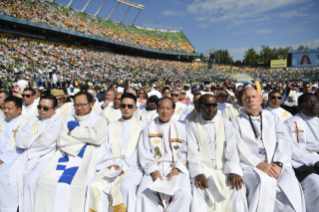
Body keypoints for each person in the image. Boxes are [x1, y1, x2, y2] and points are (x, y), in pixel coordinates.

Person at [232, 87, 305, 212]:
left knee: (290, 182)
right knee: (264, 181)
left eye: (254, 97)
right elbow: (237, 147)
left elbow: (284, 141)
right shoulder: (236, 122)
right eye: (247, 98)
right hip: (250, 166)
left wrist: (278, 163)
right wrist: (259, 164)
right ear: (243, 102)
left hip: (275, 163)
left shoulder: (272, 118)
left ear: (260, 100)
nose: (251, 100)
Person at [33, 92, 107, 212]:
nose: (79, 108)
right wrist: (87, 139)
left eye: (83, 104)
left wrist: (73, 132)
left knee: (80, 186)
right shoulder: (68, 119)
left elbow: (97, 137)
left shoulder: (99, 120)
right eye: (76, 105)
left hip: (86, 161)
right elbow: (62, 140)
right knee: (43, 181)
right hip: (65, 156)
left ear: (91, 103)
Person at [85, 93, 147, 212]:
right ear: (119, 107)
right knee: (94, 186)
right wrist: (110, 163)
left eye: (130, 106)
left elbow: (143, 150)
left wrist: (127, 166)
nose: (126, 109)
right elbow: (105, 148)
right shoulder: (111, 126)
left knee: (126, 187)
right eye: (123, 106)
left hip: (134, 167)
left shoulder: (143, 127)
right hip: (113, 165)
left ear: (136, 108)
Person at [0, 95, 62, 212]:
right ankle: (9, 208)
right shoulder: (34, 118)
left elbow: (47, 142)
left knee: (30, 180)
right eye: (39, 107)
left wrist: (28, 140)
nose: (41, 110)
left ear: (54, 109)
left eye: (45, 108)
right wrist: (35, 138)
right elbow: (18, 137)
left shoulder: (58, 122)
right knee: (3, 175)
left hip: (45, 156)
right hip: (25, 154)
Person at [187, 94, 247, 212]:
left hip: (224, 168)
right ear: (199, 107)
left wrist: (233, 171)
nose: (211, 109)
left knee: (237, 188)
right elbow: (192, 153)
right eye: (207, 106)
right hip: (204, 169)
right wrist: (198, 173)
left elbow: (231, 149)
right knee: (199, 189)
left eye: (214, 106)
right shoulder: (192, 126)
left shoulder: (225, 123)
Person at [136, 97, 191, 212]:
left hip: (176, 167)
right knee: (143, 194)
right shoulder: (148, 128)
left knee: (185, 194)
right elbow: (144, 151)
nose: (165, 111)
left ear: (173, 111)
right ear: (157, 110)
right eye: (162, 108)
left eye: (168, 108)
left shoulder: (181, 127)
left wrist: (178, 168)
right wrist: (153, 170)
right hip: (155, 166)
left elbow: (186, 150)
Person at [284, 93, 319, 212]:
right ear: (300, 107)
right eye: (310, 103)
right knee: (315, 183)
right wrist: (315, 161)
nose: (314, 105)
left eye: (316, 102)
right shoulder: (291, 123)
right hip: (304, 163)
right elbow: (293, 149)